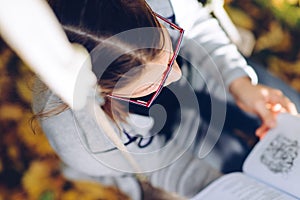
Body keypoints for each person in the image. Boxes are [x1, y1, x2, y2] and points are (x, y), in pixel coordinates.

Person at [33, 0, 299, 199]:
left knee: (288, 113)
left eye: (168, 51)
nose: (175, 75)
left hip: (205, 70)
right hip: (149, 139)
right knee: (238, 161)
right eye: (151, 83)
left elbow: (195, 24)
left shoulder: (150, 5)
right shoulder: (83, 136)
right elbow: (165, 166)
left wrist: (239, 82)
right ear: (102, 91)